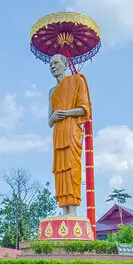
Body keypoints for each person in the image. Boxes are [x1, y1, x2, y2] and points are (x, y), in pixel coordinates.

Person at [47, 54, 91, 216]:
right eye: (50, 64)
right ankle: (64, 208)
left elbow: (84, 109)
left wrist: (65, 113)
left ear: (65, 65)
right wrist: (54, 117)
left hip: (71, 129)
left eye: (56, 63)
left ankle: (72, 209)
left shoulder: (77, 81)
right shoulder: (52, 91)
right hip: (58, 132)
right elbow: (49, 120)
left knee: (71, 167)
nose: (52, 66)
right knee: (60, 170)